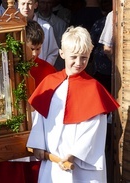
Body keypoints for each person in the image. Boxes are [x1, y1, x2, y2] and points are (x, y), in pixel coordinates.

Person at [27, 26, 119, 182]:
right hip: (54, 162)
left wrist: (73, 154)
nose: (78, 62)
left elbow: (94, 129)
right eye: (74, 57)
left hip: (82, 166)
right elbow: (40, 119)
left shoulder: (94, 88)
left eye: (84, 57)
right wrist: (37, 144)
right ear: (62, 54)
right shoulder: (50, 82)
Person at [0, 20, 56, 183]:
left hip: (38, 132)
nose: (35, 54)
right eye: (31, 48)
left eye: (38, 48)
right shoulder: (5, 67)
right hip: (12, 132)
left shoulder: (48, 71)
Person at [18, 0, 59, 65]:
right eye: (23, 3)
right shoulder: (13, 27)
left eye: (29, 3)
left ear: (36, 5)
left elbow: (53, 52)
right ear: (18, 5)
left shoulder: (46, 27)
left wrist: (44, 67)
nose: (26, 7)